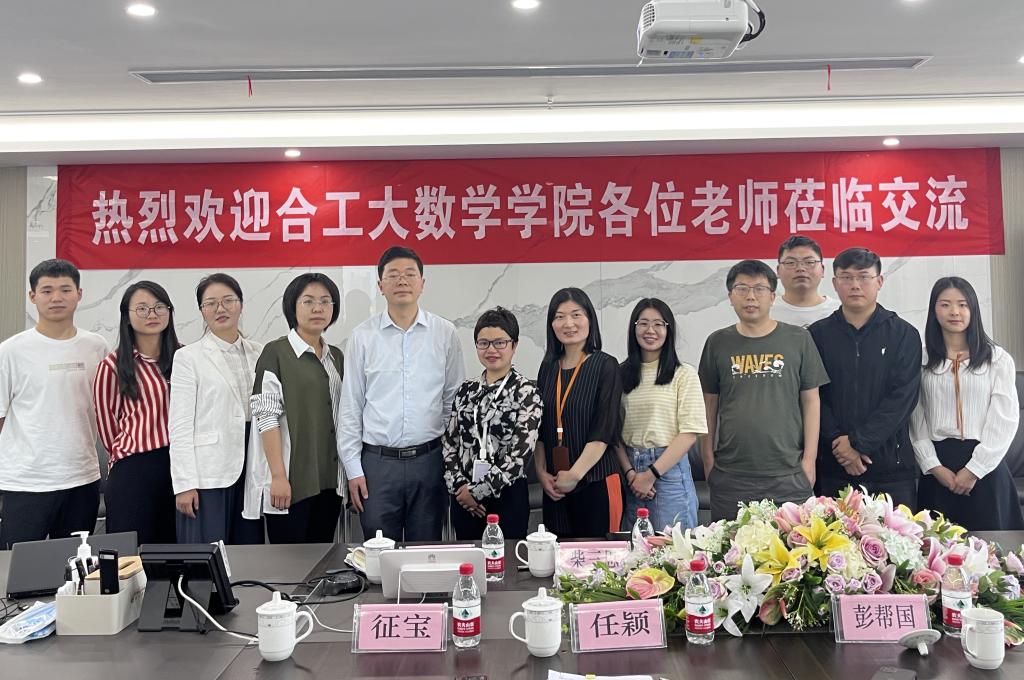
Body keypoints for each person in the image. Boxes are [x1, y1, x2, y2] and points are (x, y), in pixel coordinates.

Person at [339, 247, 465, 542]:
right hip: (377, 464)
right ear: (380, 286)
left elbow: (453, 401)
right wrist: (353, 469)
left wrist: (450, 461)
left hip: (430, 461)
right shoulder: (362, 337)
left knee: (426, 551)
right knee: (379, 552)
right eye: (393, 275)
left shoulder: (444, 333)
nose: (402, 281)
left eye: (410, 274)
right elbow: (351, 406)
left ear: (422, 283)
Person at [698, 260, 828, 522]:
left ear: (772, 297)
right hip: (731, 475)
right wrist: (708, 460)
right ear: (730, 297)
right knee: (728, 546)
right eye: (742, 288)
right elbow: (708, 404)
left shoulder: (798, 339)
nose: (750, 296)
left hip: (788, 474)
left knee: (792, 547)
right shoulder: (717, 342)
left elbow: (811, 401)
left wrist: (809, 461)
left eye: (759, 289)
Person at [0, 259, 108, 549]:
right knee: (17, 566)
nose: (56, 297)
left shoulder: (96, 346)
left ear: (79, 294)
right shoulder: (10, 351)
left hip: (82, 478)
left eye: (65, 289)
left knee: (74, 565)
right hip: (27, 481)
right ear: (32, 296)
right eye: (47, 290)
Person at [809, 247, 922, 509]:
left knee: (897, 535)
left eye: (863, 277)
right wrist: (840, 446)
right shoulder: (817, 335)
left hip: (891, 468)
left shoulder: (903, 334)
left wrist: (858, 444)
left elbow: (902, 398)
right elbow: (814, 396)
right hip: (834, 465)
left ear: (879, 281)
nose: (855, 285)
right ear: (834, 283)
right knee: (831, 536)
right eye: (846, 277)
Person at [911, 277, 1023, 530]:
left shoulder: (998, 359)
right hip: (938, 470)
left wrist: (975, 469)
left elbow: (1005, 419)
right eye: (945, 304)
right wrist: (932, 465)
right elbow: (916, 418)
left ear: (973, 309)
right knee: (936, 548)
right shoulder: (920, 359)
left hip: (986, 469)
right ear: (933, 310)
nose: (954, 312)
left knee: (993, 549)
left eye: (962, 305)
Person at [246, 273, 344, 544]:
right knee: (289, 561)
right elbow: (267, 417)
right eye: (308, 301)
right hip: (291, 482)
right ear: (292, 306)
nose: (317, 308)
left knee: (323, 557)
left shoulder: (336, 356)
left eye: (325, 301)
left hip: (330, 480)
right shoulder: (276, 352)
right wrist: (278, 476)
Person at [169, 274, 265, 544]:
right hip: (209, 472)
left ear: (240, 304)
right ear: (202, 310)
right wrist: (184, 484)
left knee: (250, 551)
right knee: (207, 554)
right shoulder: (188, 357)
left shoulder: (260, 352)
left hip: (254, 464)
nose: (220, 308)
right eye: (210, 303)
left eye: (228, 301)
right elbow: (179, 425)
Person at [442, 307, 543, 540]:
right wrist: (461, 489)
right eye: (483, 343)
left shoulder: (527, 392)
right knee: (468, 558)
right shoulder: (466, 390)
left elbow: (519, 456)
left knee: (506, 560)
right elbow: (449, 443)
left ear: (514, 345)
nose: (491, 350)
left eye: (500, 343)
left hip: (507, 497)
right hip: (464, 498)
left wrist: (477, 492)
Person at [93, 281, 180, 544]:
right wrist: (131, 448)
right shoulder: (113, 365)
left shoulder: (185, 358)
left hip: (179, 467)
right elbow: (107, 425)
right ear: (127, 317)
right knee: (131, 554)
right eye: (142, 308)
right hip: (134, 470)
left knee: (174, 551)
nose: (152, 314)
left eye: (159, 307)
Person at [534, 288, 623, 538]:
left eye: (576, 315)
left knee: (600, 558)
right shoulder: (548, 367)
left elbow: (604, 429)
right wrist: (541, 473)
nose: (568, 323)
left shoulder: (606, 365)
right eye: (559, 316)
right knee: (558, 556)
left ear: (590, 319)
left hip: (596, 482)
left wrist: (575, 474)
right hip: (555, 486)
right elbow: (538, 427)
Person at [616, 298, 707, 531]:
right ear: (634, 328)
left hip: (669, 474)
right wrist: (631, 474)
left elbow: (689, 433)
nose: (650, 330)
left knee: (673, 548)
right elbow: (612, 432)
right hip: (630, 474)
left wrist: (650, 475)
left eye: (658, 324)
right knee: (635, 549)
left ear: (669, 330)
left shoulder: (683, 374)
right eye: (643, 323)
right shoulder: (619, 374)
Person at [772, 236, 840, 328]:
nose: (800, 268)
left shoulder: (840, 311)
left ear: (822, 270)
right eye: (790, 262)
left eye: (809, 262)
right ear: (778, 271)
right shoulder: (766, 311)